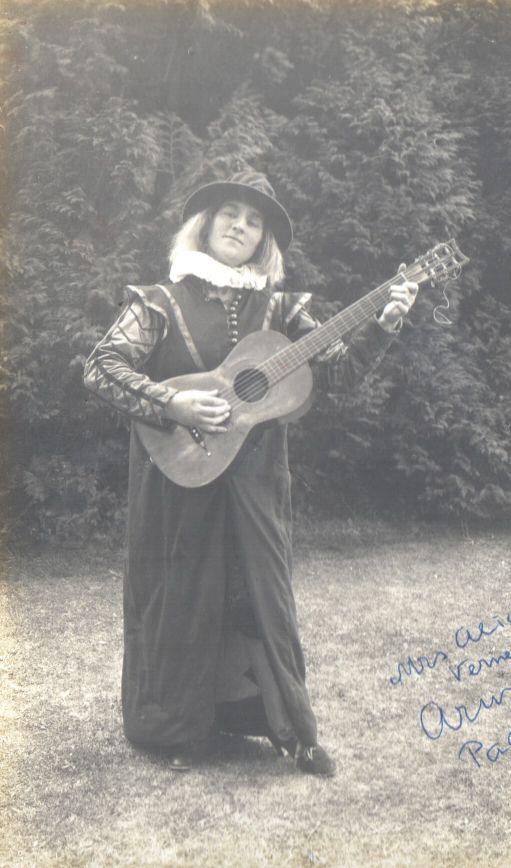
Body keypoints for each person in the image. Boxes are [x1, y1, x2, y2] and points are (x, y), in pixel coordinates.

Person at [84, 170, 417, 775]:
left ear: (265, 239)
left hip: (258, 485)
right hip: (176, 480)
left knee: (262, 597)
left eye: (254, 219)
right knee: (182, 596)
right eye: (229, 213)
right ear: (204, 224)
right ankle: (176, 731)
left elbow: (337, 376)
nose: (240, 225)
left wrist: (386, 324)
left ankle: (288, 729)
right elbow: (101, 366)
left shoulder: (284, 309)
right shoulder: (159, 301)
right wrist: (170, 402)